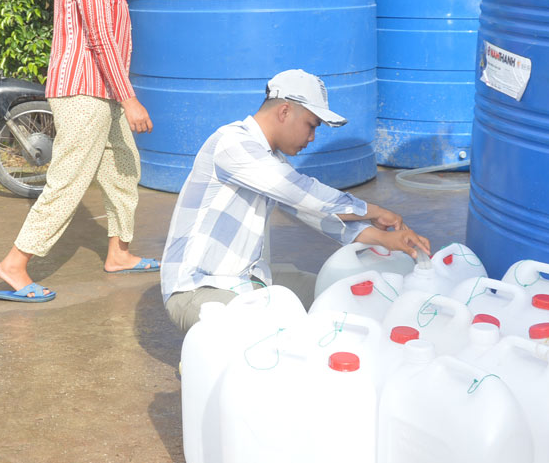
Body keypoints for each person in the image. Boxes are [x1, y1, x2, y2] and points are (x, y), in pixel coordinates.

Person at [0, 0, 161, 302]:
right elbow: (100, 37)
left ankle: (118, 252)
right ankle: (14, 264)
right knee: (69, 179)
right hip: (86, 91)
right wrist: (130, 98)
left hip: (103, 91)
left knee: (123, 167)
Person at [160, 69, 431, 333]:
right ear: (285, 111)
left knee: (337, 298)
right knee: (284, 335)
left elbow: (315, 213)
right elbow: (301, 192)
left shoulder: (270, 161)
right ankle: (214, 360)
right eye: (311, 126)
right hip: (198, 290)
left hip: (246, 280)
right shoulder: (232, 144)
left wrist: (387, 240)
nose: (312, 138)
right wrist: (371, 210)